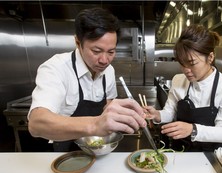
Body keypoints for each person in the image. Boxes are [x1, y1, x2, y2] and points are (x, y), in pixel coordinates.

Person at [28, 7, 146, 151]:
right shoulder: (56, 68)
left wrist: (120, 112)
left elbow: (106, 104)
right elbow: (36, 124)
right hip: (65, 149)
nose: (104, 60)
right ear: (78, 42)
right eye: (96, 51)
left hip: (96, 146)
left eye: (111, 52)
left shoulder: (108, 70)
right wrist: (95, 125)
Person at [145, 24, 222, 151]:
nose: (186, 70)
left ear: (210, 57)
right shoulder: (178, 80)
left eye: (192, 63)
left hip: (211, 156)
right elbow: (170, 112)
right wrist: (157, 115)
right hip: (180, 151)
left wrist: (193, 129)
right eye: (182, 63)